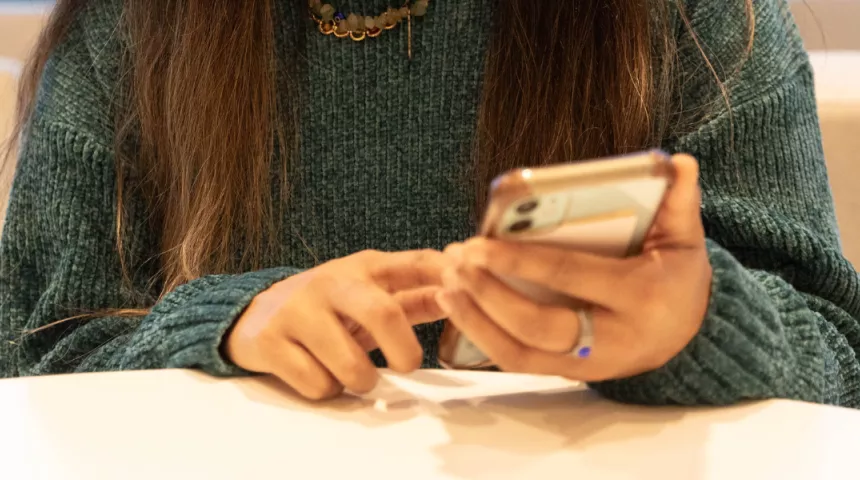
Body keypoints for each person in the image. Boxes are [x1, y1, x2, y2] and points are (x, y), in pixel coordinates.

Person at [1, 0, 858, 407]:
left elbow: (840, 357)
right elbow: (28, 358)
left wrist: (697, 322)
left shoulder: (696, 20)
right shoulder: (128, 28)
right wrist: (225, 324)